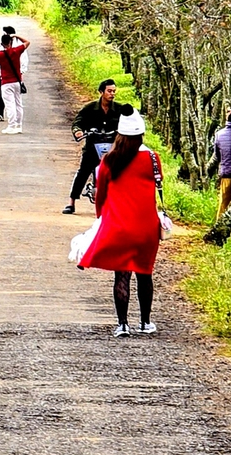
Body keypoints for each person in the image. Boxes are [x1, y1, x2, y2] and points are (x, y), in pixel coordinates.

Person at [77, 108, 163, 336]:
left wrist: (101, 219)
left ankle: (123, 324)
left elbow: (101, 195)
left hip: (118, 226)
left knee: (121, 276)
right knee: (145, 273)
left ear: (119, 134)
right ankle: (145, 323)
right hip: (146, 227)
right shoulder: (153, 158)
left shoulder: (108, 161)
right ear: (141, 134)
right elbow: (157, 184)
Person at [65, 78, 127, 214]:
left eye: (114, 91)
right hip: (93, 146)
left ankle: (120, 203)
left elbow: (128, 123)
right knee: (83, 171)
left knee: (119, 173)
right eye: (109, 91)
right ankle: (71, 202)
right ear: (101, 92)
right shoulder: (90, 108)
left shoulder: (119, 109)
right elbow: (78, 122)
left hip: (112, 148)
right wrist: (78, 131)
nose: (112, 94)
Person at [0, 30, 28, 133]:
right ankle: (19, 125)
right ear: (11, 42)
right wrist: (16, 36)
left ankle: (11, 126)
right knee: (19, 104)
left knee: (10, 105)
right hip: (17, 82)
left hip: (6, 82)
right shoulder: (16, 51)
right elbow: (27, 42)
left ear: (1, 44)